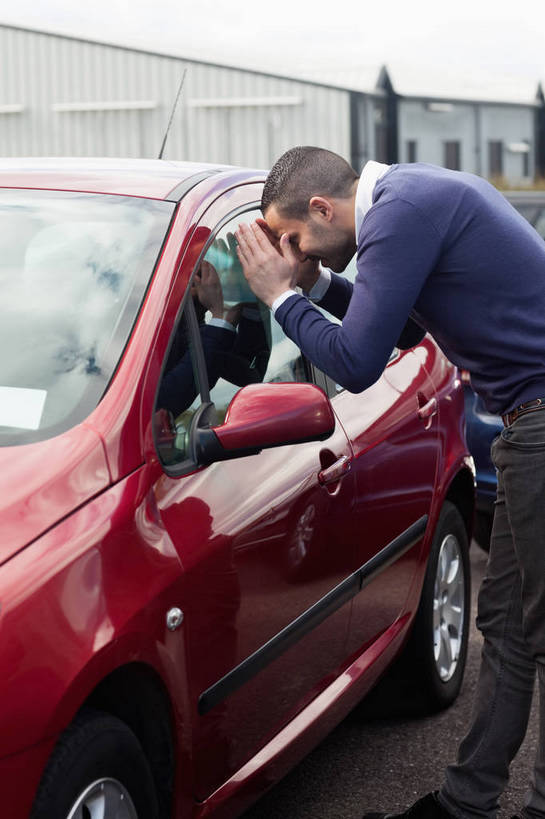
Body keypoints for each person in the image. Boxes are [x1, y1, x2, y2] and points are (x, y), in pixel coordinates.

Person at [234, 146, 545, 819]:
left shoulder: (399, 213)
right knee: (507, 624)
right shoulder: (408, 199)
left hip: (541, 418)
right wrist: (310, 284)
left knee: (536, 627)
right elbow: (399, 323)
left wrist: (280, 295)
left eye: (291, 238)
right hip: (529, 420)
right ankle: (466, 802)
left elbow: (355, 361)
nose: (287, 250)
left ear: (320, 207)